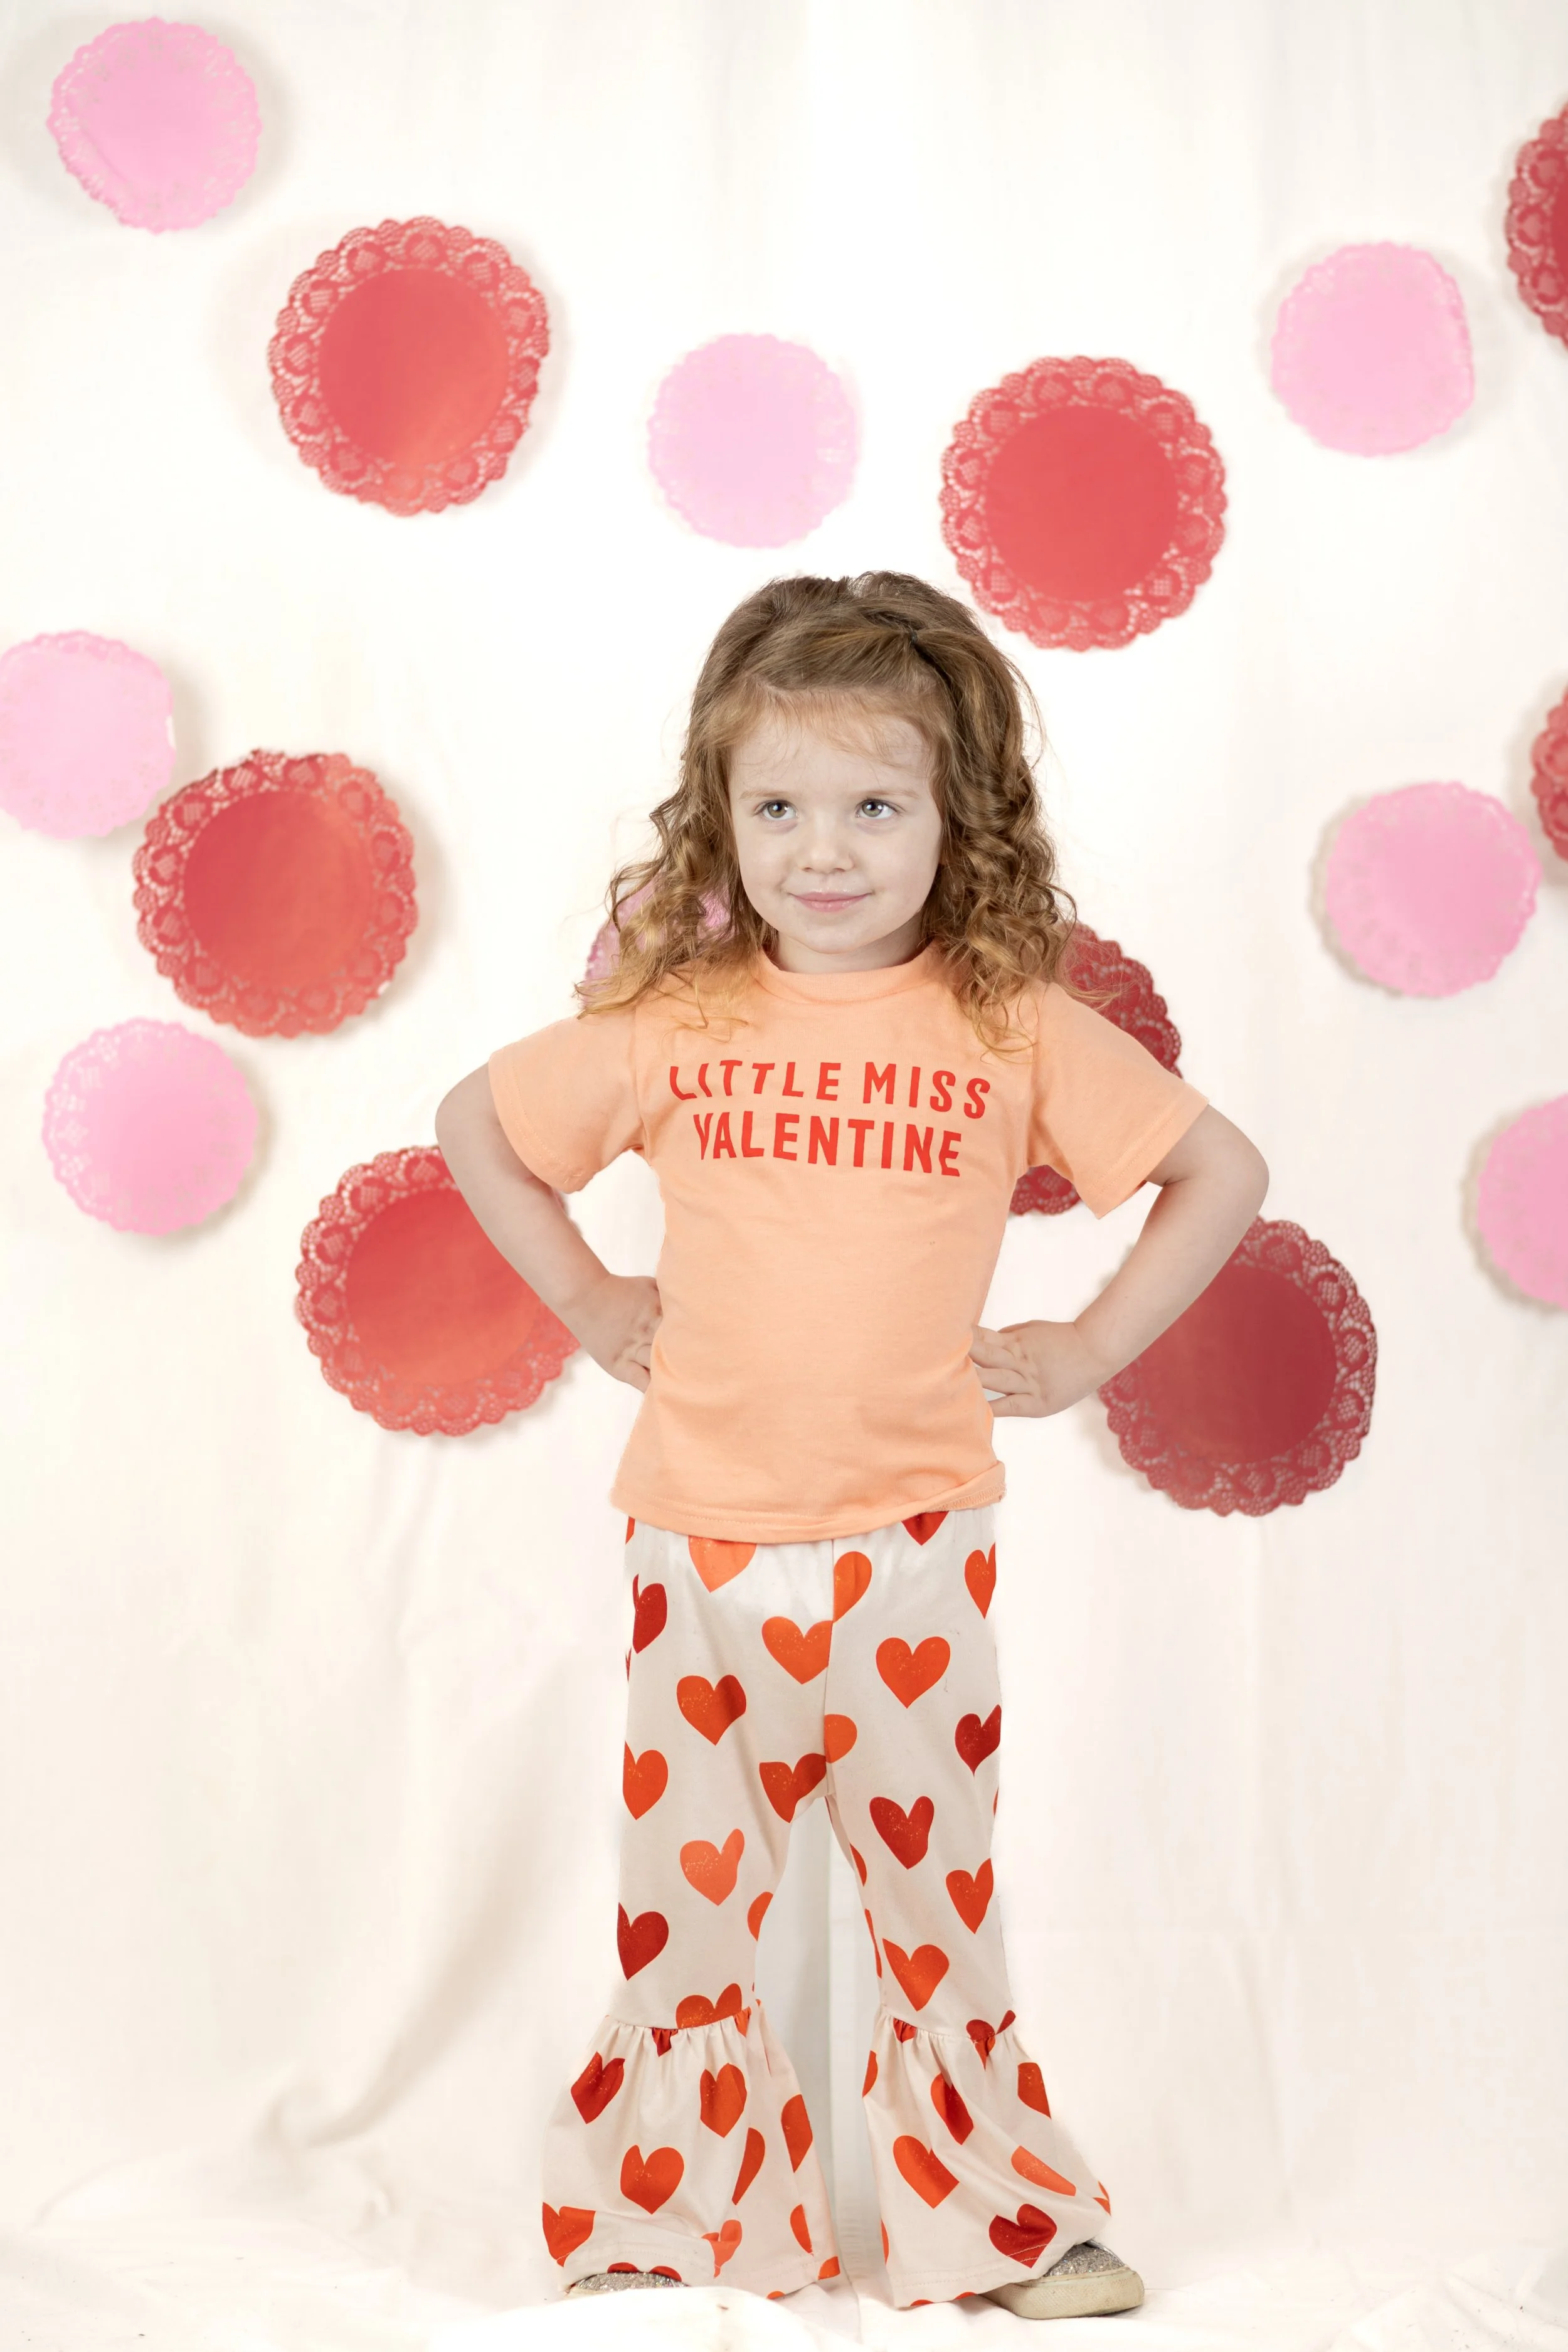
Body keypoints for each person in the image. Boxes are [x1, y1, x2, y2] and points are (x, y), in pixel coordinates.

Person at [435, 571, 1268, 2319]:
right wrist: (590, 1299)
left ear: (960, 814)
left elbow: (1218, 1171)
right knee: (688, 1906)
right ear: (720, 816)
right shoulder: (680, 1017)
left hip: (911, 1547)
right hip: (697, 1546)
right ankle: (679, 2219)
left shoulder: (1005, 1022)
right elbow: (479, 1124)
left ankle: (1002, 2225)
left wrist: (1089, 1346)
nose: (824, 851)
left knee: (933, 1899)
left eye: (876, 805)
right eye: (779, 808)